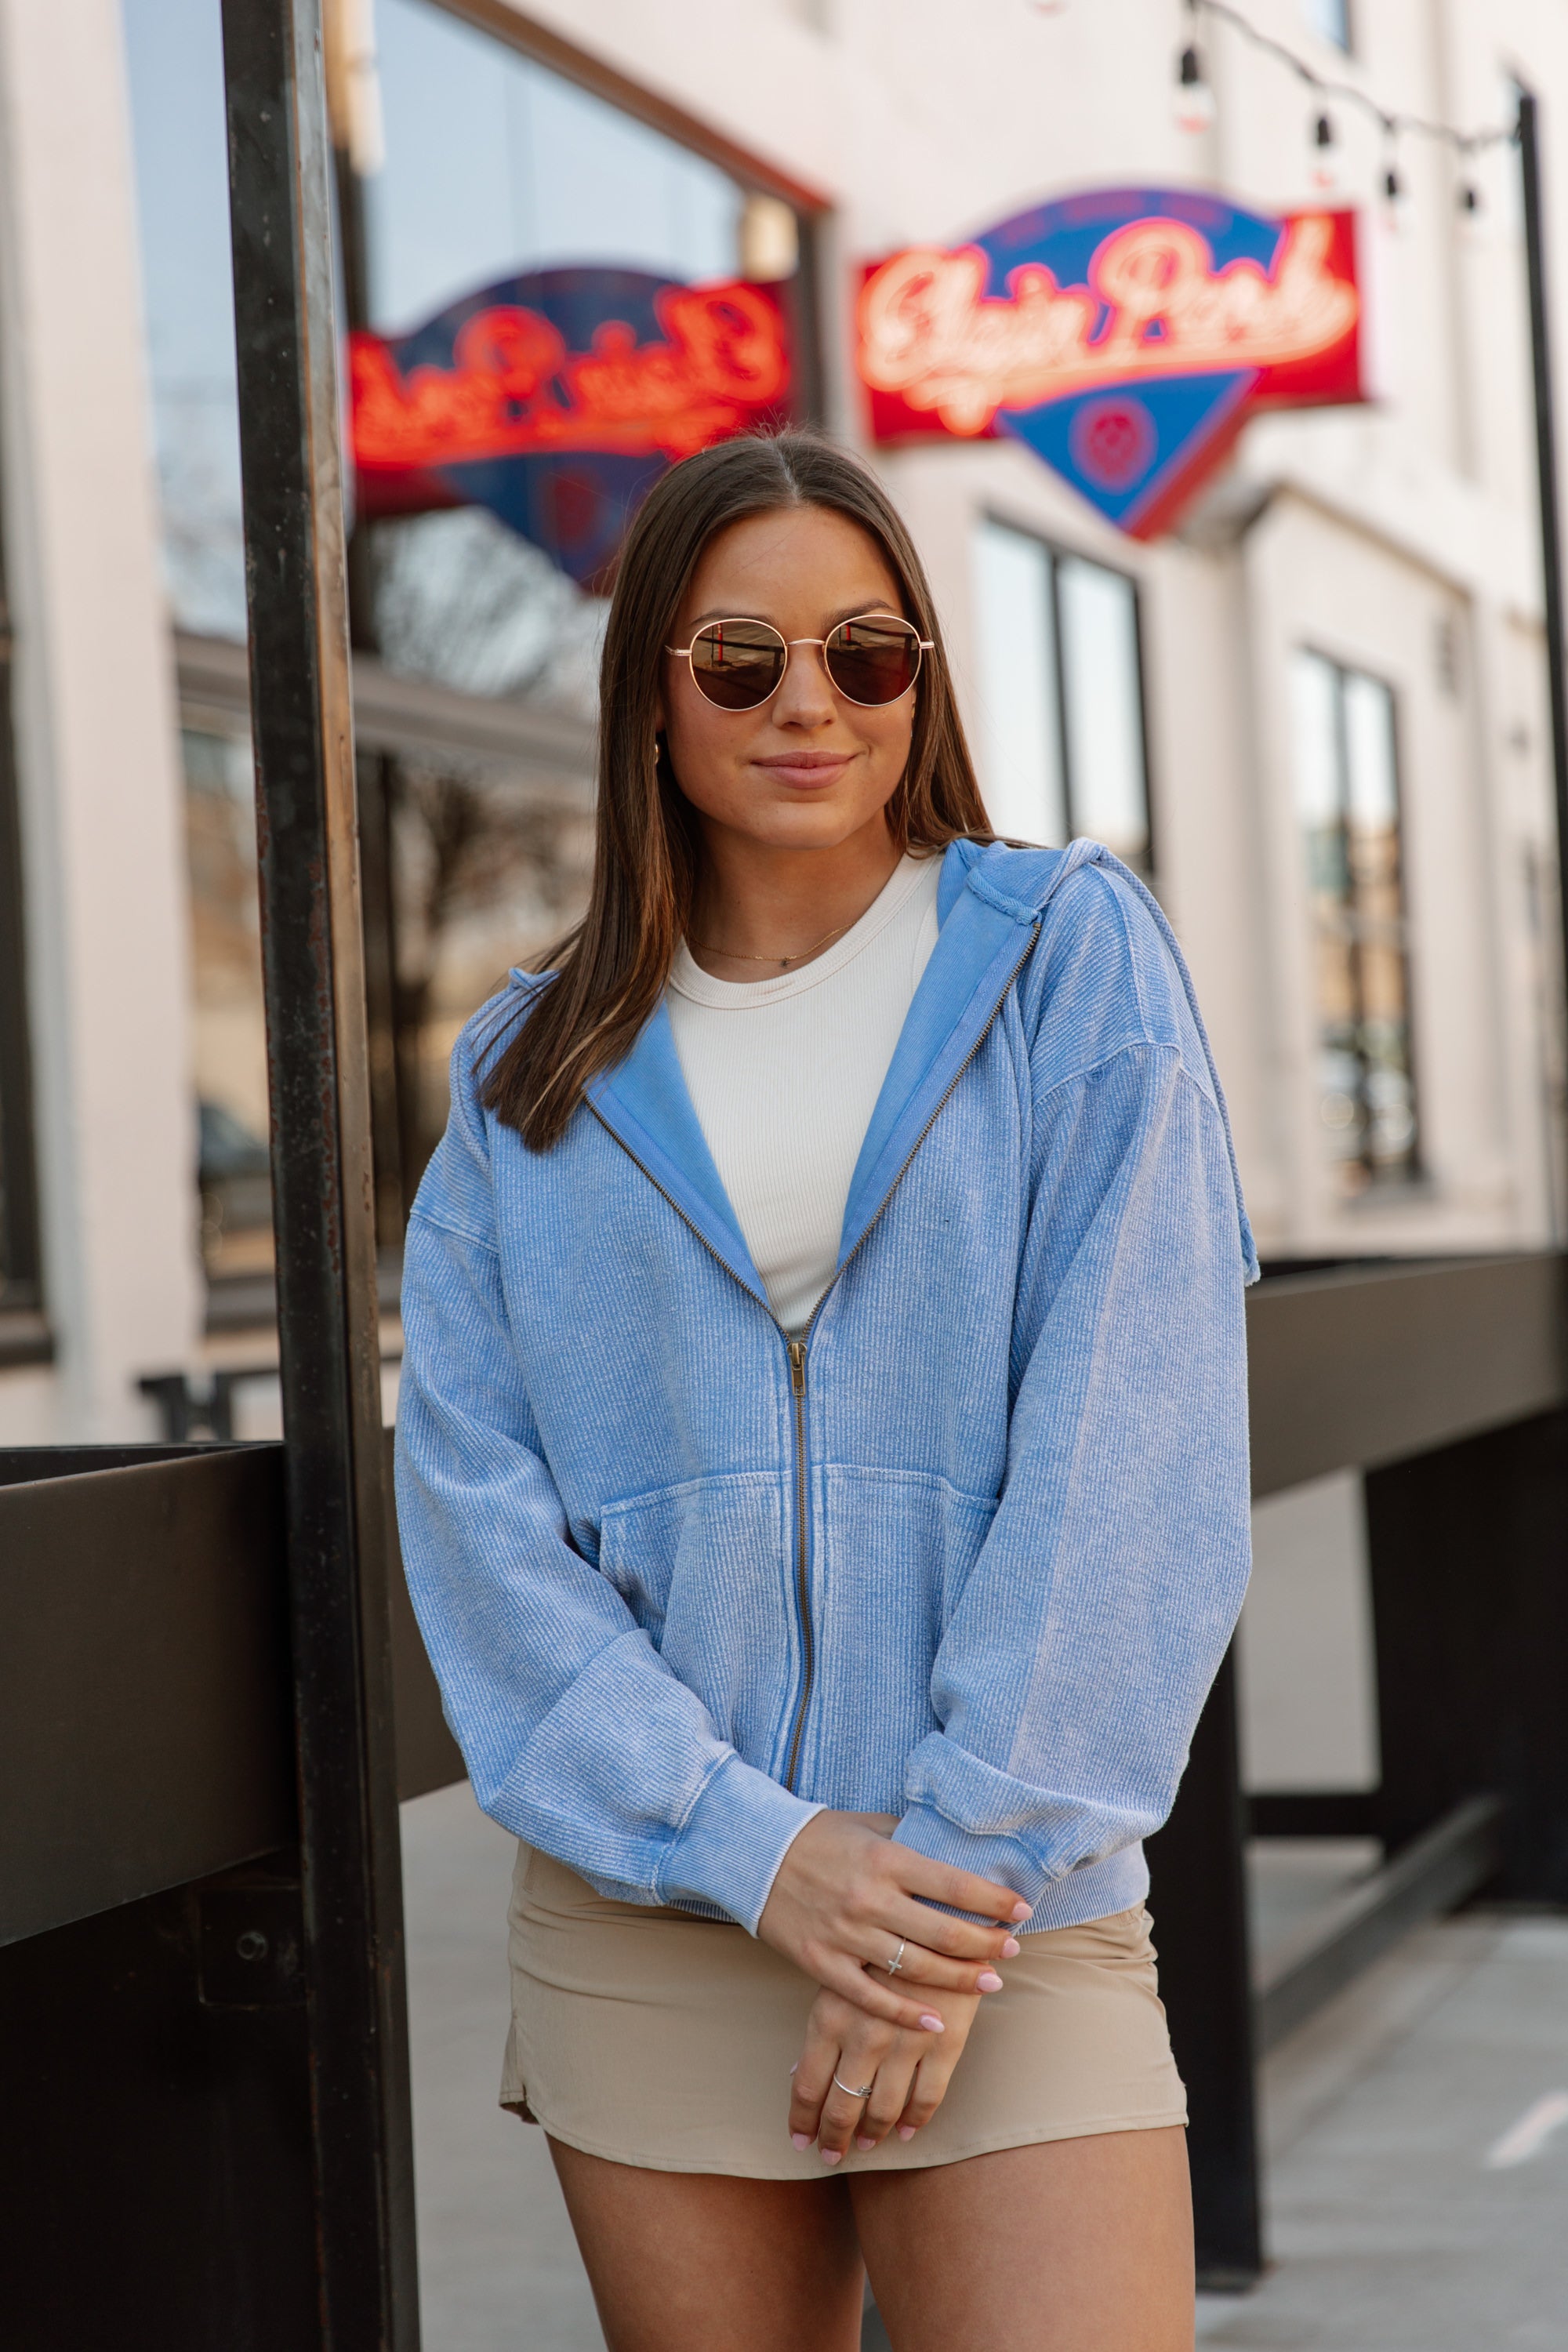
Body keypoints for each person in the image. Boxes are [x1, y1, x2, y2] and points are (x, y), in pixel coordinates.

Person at [394, 427, 1254, 2352]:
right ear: (651, 702)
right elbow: (475, 1517)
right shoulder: (529, 1065)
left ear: (921, 684)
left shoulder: (1066, 966)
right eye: (740, 661)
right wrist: (754, 1851)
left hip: (1001, 1917)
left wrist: (933, 1896)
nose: (812, 703)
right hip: (657, 1912)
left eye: (868, 656)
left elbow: (1139, 1458)